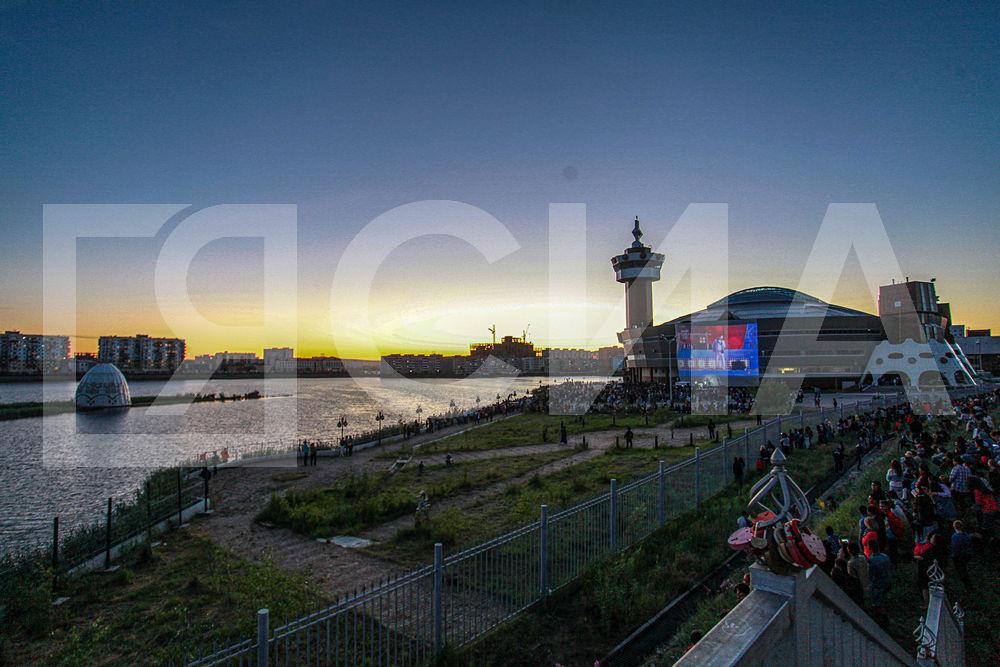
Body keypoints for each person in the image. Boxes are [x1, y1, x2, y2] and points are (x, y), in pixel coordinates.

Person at [951, 520, 973, 586]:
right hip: (967, 554)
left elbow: (955, 548)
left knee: (961, 572)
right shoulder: (968, 536)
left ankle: (966, 584)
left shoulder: (955, 537)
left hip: (958, 556)